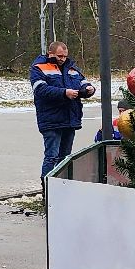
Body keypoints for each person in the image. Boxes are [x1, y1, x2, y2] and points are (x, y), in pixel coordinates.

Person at [32, 40, 95, 179]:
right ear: (50, 53)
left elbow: (83, 83)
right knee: (51, 156)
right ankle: (47, 186)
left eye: (65, 56)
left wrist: (89, 89)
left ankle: (62, 184)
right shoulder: (39, 68)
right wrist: (64, 93)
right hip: (51, 120)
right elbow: (41, 90)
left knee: (65, 157)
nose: (62, 59)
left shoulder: (72, 68)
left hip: (70, 119)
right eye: (59, 56)